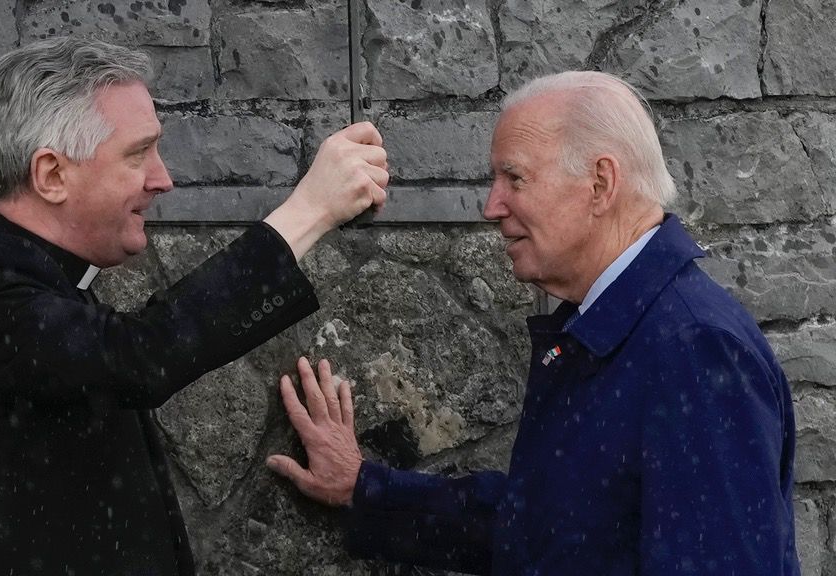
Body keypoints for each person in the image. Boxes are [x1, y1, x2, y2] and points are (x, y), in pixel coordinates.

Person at [267, 71, 800, 576]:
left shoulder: (694, 348)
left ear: (600, 183)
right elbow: (546, 527)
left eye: (514, 177)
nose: (491, 205)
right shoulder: (616, 322)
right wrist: (365, 489)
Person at [0, 36, 388, 575]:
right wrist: (311, 209)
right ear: (52, 175)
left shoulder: (26, 284)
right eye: (138, 153)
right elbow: (139, 356)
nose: (163, 179)